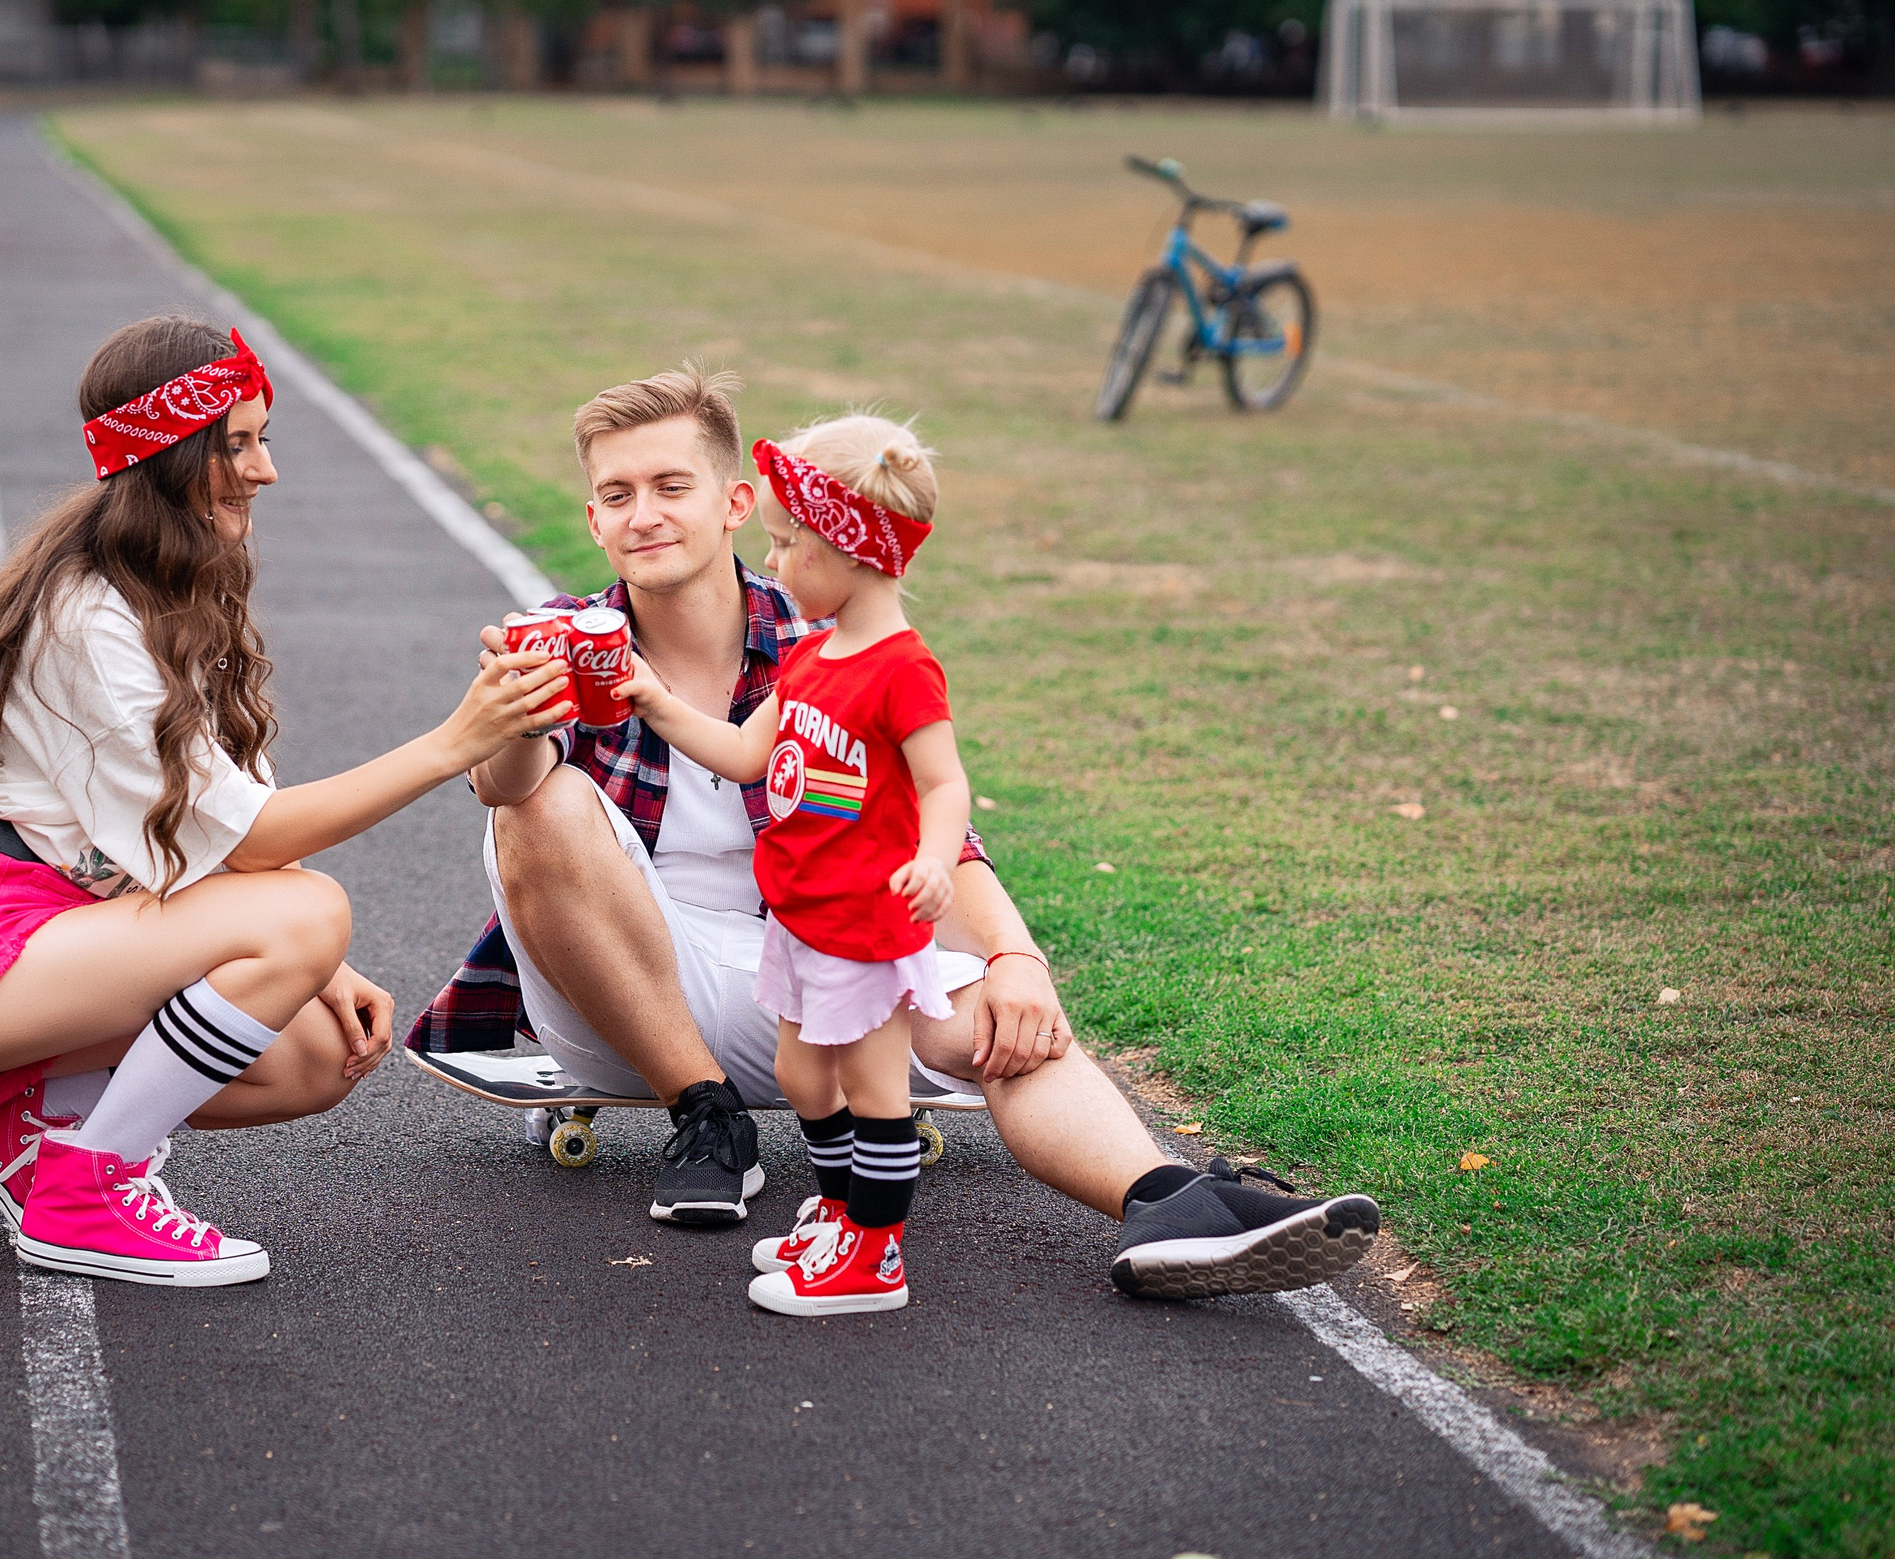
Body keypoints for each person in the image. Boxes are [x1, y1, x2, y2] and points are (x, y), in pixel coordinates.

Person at [410, 365, 1381, 1300]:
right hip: (622, 996)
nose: (644, 514)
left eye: (671, 485)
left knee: (998, 1018)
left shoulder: (826, 644)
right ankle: (705, 1116)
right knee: (535, 808)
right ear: (594, 519)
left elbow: (923, 828)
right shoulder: (569, 638)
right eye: (617, 495)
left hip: (796, 965)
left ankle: (1166, 1204)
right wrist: (515, 716)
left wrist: (1014, 957)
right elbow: (504, 791)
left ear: (736, 503)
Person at [0, 314, 566, 1289]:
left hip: (57, 933)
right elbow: (260, 839)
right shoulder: (88, 614)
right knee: (308, 909)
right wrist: (456, 742)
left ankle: (30, 1111)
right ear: (169, 454)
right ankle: (87, 1188)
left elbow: (228, 829)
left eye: (262, 439)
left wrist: (321, 970)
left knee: (315, 1055)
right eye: (237, 444)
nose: (264, 470)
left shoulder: (169, 583)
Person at [617, 416, 966, 1316]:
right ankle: (840, 1214)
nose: (770, 562)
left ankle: (875, 1257)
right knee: (806, 1078)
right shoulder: (810, 655)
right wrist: (654, 700)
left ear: (849, 547)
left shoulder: (902, 669)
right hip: (803, 919)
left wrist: (934, 861)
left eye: (785, 543)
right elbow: (743, 753)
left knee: (876, 1092)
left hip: (867, 926)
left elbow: (944, 783)